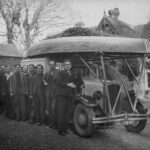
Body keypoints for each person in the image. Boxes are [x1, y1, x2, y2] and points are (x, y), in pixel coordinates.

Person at [55, 59, 77, 135]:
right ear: (64, 66)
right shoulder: (60, 73)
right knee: (61, 113)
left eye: (69, 65)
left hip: (70, 96)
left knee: (67, 113)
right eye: (66, 65)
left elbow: (76, 81)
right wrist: (68, 84)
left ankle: (66, 129)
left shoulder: (73, 73)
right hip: (61, 96)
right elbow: (58, 82)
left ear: (71, 66)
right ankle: (60, 130)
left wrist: (78, 84)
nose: (68, 66)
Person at [44, 60, 58, 128]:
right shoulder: (47, 72)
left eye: (53, 64)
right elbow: (43, 79)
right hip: (48, 93)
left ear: (55, 65)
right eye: (50, 64)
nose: (52, 66)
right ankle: (50, 123)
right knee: (49, 109)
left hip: (55, 93)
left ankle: (54, 123)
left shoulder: (58, 72)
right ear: (49, 65)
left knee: (54, 109)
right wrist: (44, 82)